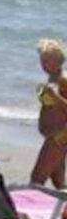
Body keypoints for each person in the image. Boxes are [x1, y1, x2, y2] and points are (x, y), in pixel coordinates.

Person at [33, 39, 67, 188]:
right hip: (53, 135)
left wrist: (55, 98)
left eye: (47, 60)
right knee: (58, 181)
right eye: (42, 60)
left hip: (58, 137)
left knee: (37, 178)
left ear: (59, 60)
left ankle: (28, 208)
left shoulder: (63, 79)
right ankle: (62, 208)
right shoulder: (51, 78)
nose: (43, 64)